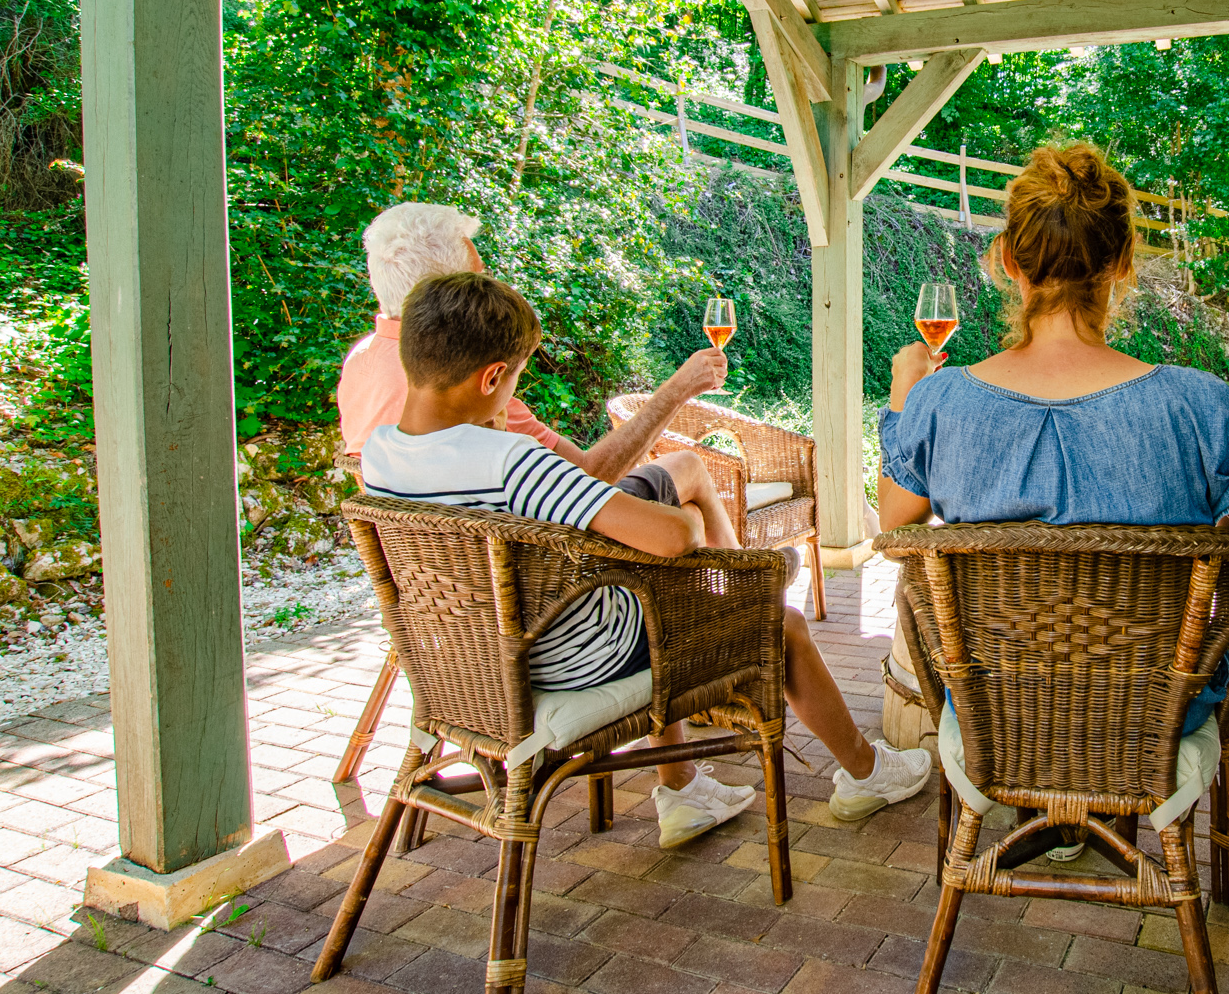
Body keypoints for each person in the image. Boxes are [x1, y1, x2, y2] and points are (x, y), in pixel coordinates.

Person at [877, 142, 1229, 847]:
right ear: (1122, 263)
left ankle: (1049, 823)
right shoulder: (1197, 408)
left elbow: (893, 521)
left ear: (1009, 261)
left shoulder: (940, 405)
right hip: (1154, 722)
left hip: (998, 718)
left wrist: (905, 394)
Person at [360, 272, 930, 845]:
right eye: (516, 379)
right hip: (582, 659)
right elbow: (672, 537)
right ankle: (866, 773)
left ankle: (683, 788)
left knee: (656, 555)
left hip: (475, 661)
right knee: (781, 623)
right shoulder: (509, 461)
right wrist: (682, 526)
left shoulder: (380, 455)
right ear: (491, 377)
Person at [338, 203, 735, 547]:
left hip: (437, 573)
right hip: (543, 561)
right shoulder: (468, 396)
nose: (491, 282)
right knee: (688, 479)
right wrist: (678, 389)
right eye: (479, 277)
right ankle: (746, 585)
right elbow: (589, 476)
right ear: (447, 294)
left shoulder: (363, 367)